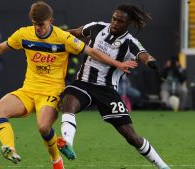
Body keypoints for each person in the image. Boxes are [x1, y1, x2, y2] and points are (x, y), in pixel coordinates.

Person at [0, 1, 137, 169]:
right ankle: (10, 149)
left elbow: (91, 51)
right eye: (34, 24)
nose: (38, 28)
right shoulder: (24, 34)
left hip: (51, 92)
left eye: (41, 24)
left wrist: (118, 64)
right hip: (28, 90)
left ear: (51, 21)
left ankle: (56, 160)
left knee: (43, 127)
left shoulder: (63, 37)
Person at [57, 4, 170, 169]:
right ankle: (67, 143)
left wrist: (150, 62)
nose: (115, 23)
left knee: (131, 136)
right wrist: (53, 35)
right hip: (83, 83)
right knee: (68, 104)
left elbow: (143, 54)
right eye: (114, 18)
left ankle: (163, 166)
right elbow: (74, 33)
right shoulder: (96, 27)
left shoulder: (130, 42)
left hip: (107, 91)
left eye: (120, 21)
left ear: (129, 22)